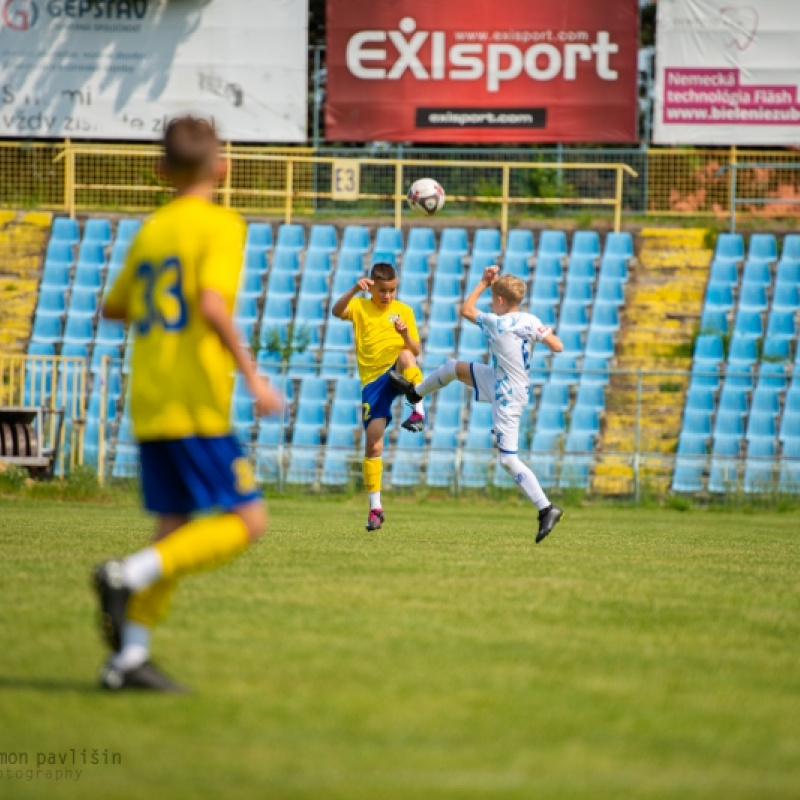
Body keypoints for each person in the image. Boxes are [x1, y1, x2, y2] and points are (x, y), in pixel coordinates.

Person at [93, 116, 284, 692]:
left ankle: (129, 659)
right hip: (197, 398)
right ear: (220, 166)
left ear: (160, 170)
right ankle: (126, 575)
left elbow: (115, 307)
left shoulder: (152, 229)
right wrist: (253, 377)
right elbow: (209, 303)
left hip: (150, 399)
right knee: (248, 520)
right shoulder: (220, 224)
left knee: (173, 527)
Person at [390, 265, 566, 542]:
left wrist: (484, 282)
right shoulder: (530, 320)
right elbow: (558, 346)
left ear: (499, 301)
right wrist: (539, 334)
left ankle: (546, 508)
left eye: (493, 300)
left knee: (508, 460)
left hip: (507, 394)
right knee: (453, 368)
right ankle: (416, 393)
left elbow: (466, 309)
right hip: (501, 379)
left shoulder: (497, 322)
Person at [331, 262, 425, 531]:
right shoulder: (360, 307)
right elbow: (337, 311)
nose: (388, 296)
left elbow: (415, 350)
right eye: (383, 290)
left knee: (406, 355)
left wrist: (405, 334)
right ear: (371, 286)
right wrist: (352, 289)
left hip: (397, 367)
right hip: (373, 383)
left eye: (392, 290)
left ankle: (418, 410)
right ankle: (375, 509)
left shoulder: (404, 310)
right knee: (373, 445)